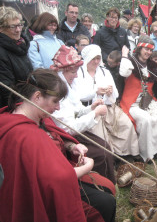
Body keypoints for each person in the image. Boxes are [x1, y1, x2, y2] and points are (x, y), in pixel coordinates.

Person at [0, 69, 116, 222]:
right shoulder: (25, 135)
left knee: (107, 185)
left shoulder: (34, 114)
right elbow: (57, 179)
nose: (58, 108)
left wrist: (71, 147)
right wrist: (88, 167)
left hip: (61, 173)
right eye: (55, 102)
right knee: (105, 203)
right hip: (44, 195)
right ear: (37, 97)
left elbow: (53, 136)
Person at [50, 45, 116, 183]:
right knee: (101, 153)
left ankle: (107, 184)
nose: (76, 75)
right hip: (65, 137)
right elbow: (67, 128)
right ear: (62, 71)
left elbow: (77, 110)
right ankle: (98, 185)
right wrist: (95, 113)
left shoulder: (66, 85)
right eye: (73, 72)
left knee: (105, 147)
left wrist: (91, 108)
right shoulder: (57, 92)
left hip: (73, 131)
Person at [73, 44, 140, 159]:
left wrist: (110, 92)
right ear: (87, 58)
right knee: (100, 134)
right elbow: (78, 96)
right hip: (90, 110)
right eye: (93, 58)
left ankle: (126, 153)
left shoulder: (105, 72)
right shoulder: (78, 73)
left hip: (108, 107)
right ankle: (111, 156)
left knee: (126, 125)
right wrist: (95, 91)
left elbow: (116, 94)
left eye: (98, 58)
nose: (96, 61)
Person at [0, 6, 33, 108]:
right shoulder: (2, 52)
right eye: (13, 27)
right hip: (13, 106)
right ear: (1, 28)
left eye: (20, 25)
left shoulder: (20, 45)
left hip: (27, 99)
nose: (18, 30)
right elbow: (7, 90)